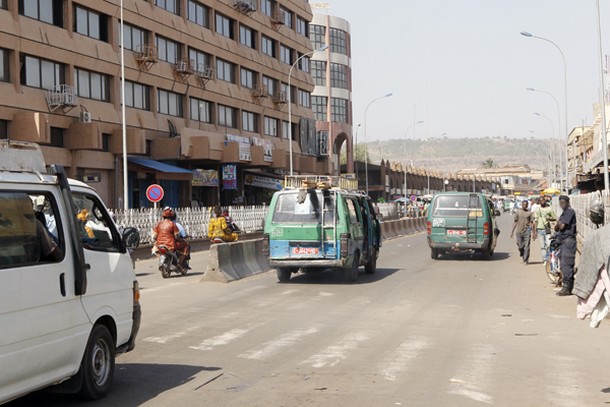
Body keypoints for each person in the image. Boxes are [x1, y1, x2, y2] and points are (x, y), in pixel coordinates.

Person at [555, 195, 577, 296]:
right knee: (563, 265)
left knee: (567, 264)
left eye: (563, 203)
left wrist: (559, 223)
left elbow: (562, 226)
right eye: (560, 203)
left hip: (568, 241)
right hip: (563, 241)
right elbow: (556, 228)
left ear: (567, 202)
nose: (561, 205)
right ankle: (568, 287)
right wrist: (559, 224)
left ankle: (567, 288)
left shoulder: (570, 211)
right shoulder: (563, 213)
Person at [510, 200, 536, 264]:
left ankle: (525, 259)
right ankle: (522, 252)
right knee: (520, 246)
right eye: (523, 204)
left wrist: (534, 233)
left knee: (527, 246)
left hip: (527, 231)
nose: (525, 205)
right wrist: (512, 231)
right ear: (521, 205)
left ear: (527, 205)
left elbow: (532, 223)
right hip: (519, 231)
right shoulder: (518, 212)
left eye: (526, 204)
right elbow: (515, 222)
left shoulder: (530, 213)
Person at [534, 198, 557, 265]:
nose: (542, 202)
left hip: (547, 229)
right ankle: (545, 259)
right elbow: (536, 220)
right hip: (539, 229)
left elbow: (554, 218)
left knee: (549, 244)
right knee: (542, 246)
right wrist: (535, 231)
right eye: (540, 201)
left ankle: (548, 257)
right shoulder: (537, 209)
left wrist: (549, 219)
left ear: (545, 201)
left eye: (543, 200)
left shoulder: (549, 209)